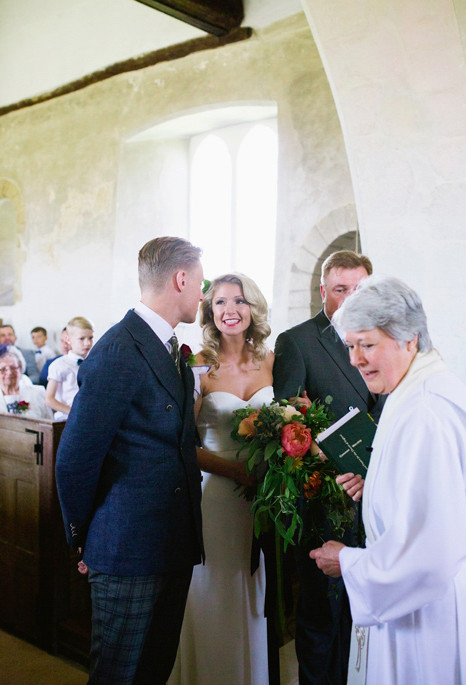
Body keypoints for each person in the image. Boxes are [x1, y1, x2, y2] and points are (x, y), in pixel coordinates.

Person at [311, 275, 466, 685]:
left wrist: (347, 563)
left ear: (410, 339)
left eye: (367, 344)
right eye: (350, 346)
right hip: (420, 608)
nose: (355, 359)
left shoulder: (426, 412)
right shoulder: (417, 388)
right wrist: (381, 487)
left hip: (423, 621)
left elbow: (427, 553)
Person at [56, 236, 205, 685]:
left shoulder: (169, 347)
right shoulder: (119, 350)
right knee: (117, 676)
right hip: (125, 551)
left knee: (154, 672)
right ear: (181, 278)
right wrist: (84, 538)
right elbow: (75, 460)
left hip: (170, 543)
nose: (201, 293)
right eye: (200, 282)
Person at [273, 250, 383, 685]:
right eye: (341, 290)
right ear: (323, 291)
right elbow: (286, 421)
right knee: (323, 617)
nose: (352, 299)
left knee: (367, 615)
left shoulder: (385, 340)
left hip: (379, 495)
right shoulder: (298, 341)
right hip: (326, 499)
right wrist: (333, 463)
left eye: (360, 290)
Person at [168, 273, 272, 685]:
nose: (231, 310)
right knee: (215, 588)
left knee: (253, 587)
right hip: (216, 495)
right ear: (210, 311)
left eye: (240, 301)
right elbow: (181, 444)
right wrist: (235, 471)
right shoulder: (198, 365)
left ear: (253, 308)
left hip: (263, 496)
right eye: (220, 303)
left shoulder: (271, 359)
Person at [45, 316, 94, 421]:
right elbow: (49, 399)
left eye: (90, 338)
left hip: (90, 418)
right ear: (68, 339)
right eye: (81, 338)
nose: (87, 343)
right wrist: (74, 412)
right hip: (66, 420)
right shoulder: (58, 365)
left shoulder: (95, 362)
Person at [0, 344, 52, 419]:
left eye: (13, 367)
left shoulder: (38, 393)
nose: (9, 372)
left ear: (21, 368)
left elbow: (50, 426)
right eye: (3, 368)